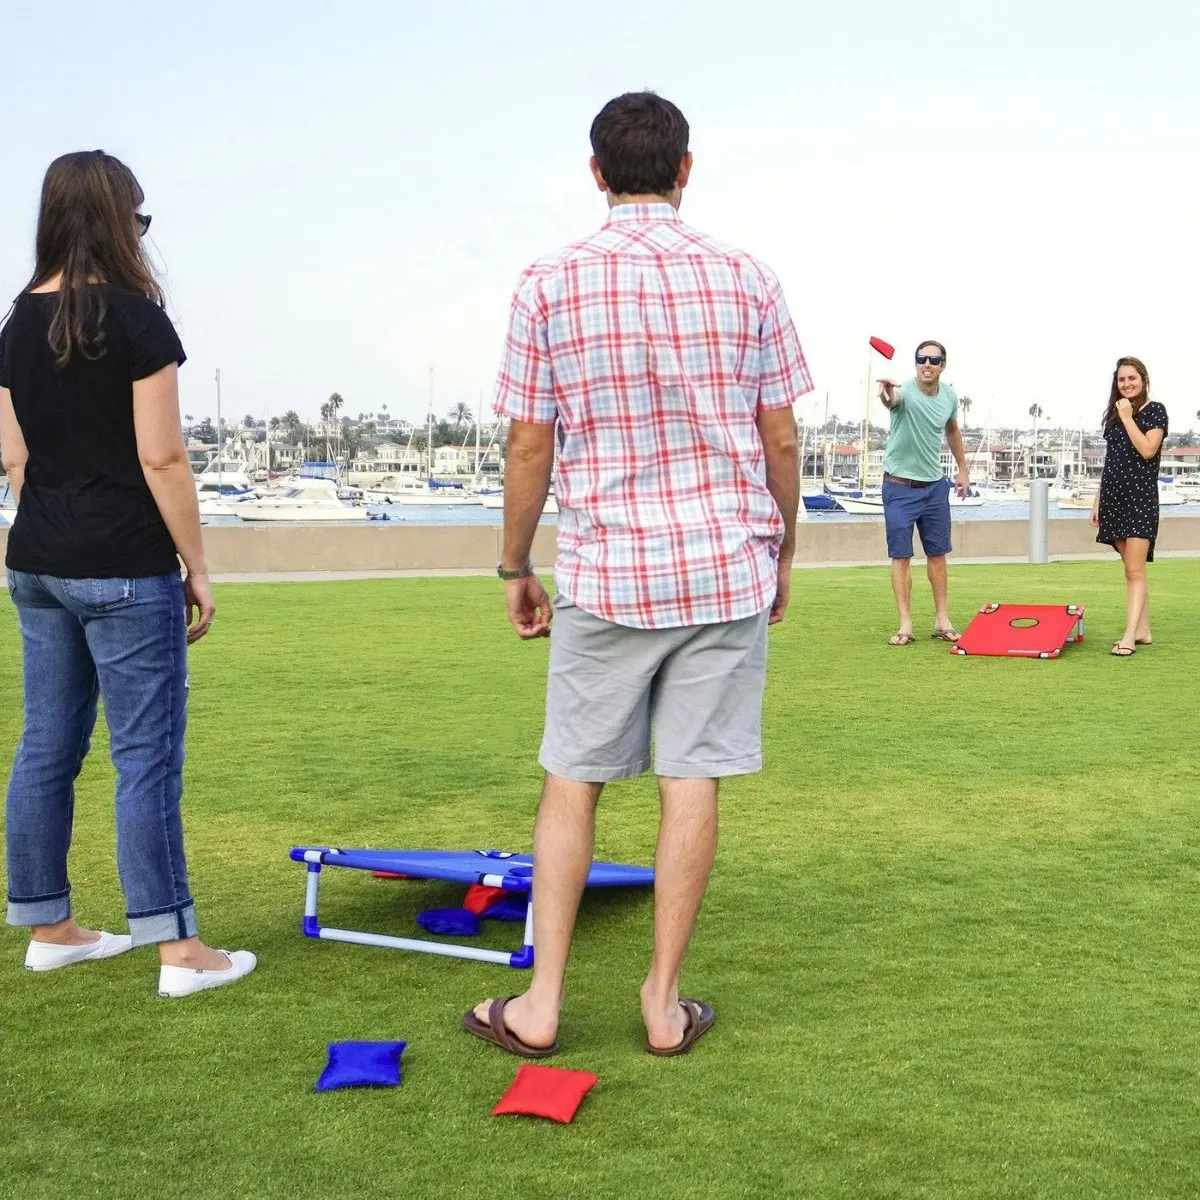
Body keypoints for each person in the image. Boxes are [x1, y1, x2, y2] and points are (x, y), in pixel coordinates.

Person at [461, 91, 810, 1058]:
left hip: (609, 570)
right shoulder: (747, 278)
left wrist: (514, 565)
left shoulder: (548, 281)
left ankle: (542, 1006)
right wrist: (783, 546)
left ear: (597, 172)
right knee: (691, 779)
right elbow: (779, 433)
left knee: (573, 780)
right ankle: (661, 1006)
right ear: (686, 168)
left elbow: (531, 445)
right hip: (721, 567)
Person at [0, 151, 255, 997]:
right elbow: (163, 454)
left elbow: (13, 457)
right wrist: (198, 564)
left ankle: (51, 929)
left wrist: (59, 523)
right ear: (120, 220)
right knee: (145, 758)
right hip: (122, 567)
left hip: (37, 562)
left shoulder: (15, 322)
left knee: (46, 747)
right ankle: (180, 953)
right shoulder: (139, 320)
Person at [876, 342, 970, 646]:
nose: (926, 364)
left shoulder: (949, 396)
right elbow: (891, 399)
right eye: (921, 359)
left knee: (938, 555)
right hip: (899, 487)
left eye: (933, 360)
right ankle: (905, 624)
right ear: (916, 363)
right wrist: (886, 392)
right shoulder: (903, 392)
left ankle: (943, 620)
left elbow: (952, 431)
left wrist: (963, 469)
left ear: (943, 365)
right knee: (901, 556)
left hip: (934, 488)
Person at [1090, 356, 1167, 657]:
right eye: (1121, 380)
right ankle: (1143, 629)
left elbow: (1148, 450)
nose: (1126, 384)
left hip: (1140, 500)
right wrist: (1098, 500)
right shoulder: (1114, 413)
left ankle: (1129, 637)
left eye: (1131, 378)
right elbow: (1111, 462)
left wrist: (1127, 419)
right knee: (1132, 570)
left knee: (1134, 572)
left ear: (1143, 379)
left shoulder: (1155, 411)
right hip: (1113, 498)